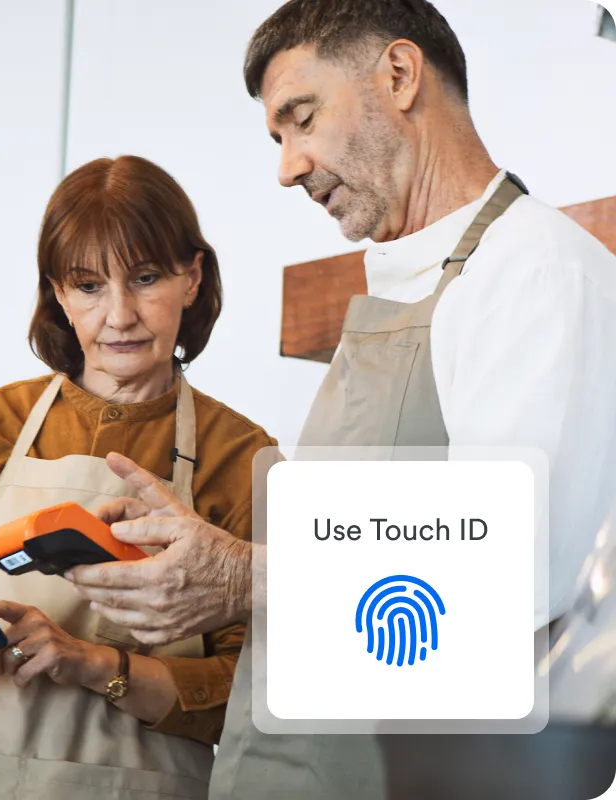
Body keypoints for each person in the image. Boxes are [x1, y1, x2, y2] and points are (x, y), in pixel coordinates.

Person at [64, 1, 616, 797]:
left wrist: (244, 576)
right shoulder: (403, 286)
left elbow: (509, 578)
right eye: (278, 137)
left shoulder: (532, 274)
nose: (288, 167)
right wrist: (211, 557)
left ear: (398, 75)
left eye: (302, 118)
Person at [0, 155, 277, 800]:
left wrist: (99, 665)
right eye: (89, 286)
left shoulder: (242, 458)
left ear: (193, 278)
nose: (120, 315)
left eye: (147, 277)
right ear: (58, 293)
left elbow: (259, 697)